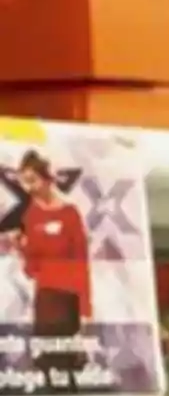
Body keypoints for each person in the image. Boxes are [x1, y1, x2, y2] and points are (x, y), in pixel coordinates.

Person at [15, 149, 92, 380]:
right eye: (24, 183)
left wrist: (86, 308)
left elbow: (82, 261)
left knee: (68, 364)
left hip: (69, 297)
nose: (29, 188)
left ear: (47, 179)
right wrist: (21, 245)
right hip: (46, 298)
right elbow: (31, 269)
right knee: (47, 363)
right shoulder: (30, 216)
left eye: (32, 181)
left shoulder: (70, 214)